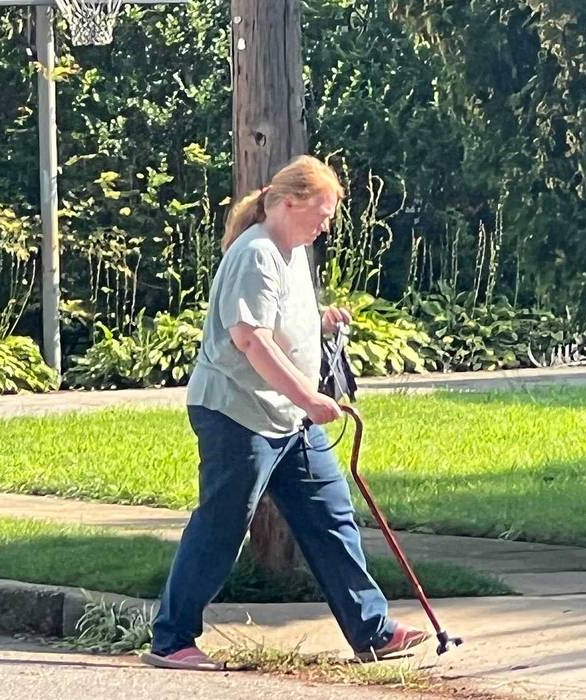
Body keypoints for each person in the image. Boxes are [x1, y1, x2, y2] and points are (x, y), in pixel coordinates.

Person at [141, 155, 429, 671]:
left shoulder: (292, 252)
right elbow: (250, 339)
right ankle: (171, 639)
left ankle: (373, 632)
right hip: (236, 414)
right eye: (320, 213)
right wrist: (310, 398)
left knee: (330, 516)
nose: (326, 225)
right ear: (288, 203)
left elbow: (275, 319)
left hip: (285, 418)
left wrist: (318, 322)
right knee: (222, 524)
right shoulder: (256, 252)